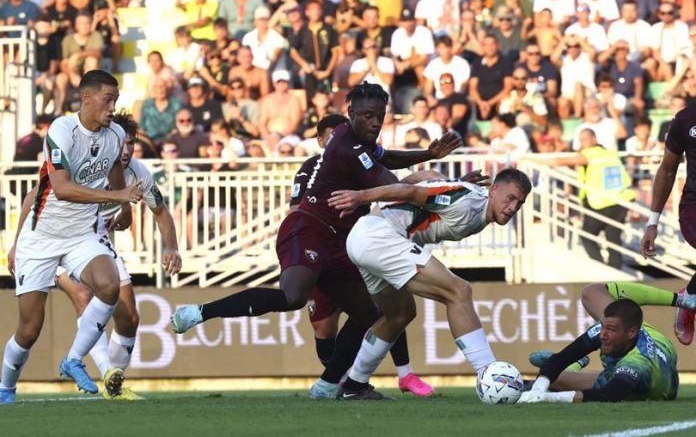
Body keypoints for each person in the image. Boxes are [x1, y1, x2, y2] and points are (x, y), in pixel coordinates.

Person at [170, 82, 461, 399]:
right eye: (367, 116)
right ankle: (199, 312)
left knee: (370, 314)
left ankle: (328, 387)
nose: (375, 123)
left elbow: (386, 157)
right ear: (350, 113)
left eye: (380, 116)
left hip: (340, 241)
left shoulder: (358, 142)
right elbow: (392, 186)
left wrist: (428, 154)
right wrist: (453, 192)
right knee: (293, 296)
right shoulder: (348, 148)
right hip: (310, 228)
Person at [11, 113, 181, 400]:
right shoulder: (86, 159)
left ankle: (114, 381)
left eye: (132, 145)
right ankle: (98, 368)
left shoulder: (138, 173)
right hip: (54, 239)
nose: (126, 151)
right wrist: (17, 245)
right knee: (83, 298)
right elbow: (35, 197)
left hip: (95, 241)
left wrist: (171, 247)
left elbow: (160, 210)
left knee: (129, 317)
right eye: (123, 144)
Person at [0, 70, 143, 405]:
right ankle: (6, 387)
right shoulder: (62, 130)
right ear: (86, 98)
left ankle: (74, 359)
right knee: (30, 328)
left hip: (81, 234)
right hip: (42, 237)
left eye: (116, 101)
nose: (112, 108)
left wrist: (124, 205)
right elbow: (61, 189)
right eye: (108, 100)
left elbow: (115, 173)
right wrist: (120, 198)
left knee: (108, 285)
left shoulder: (114, 134)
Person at [327, 168, 530, 399]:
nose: (513, 207)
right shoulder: (466, 199)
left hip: (364, 238)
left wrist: (450, 184)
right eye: (510, 198)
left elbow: (426, 174)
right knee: (459, 291)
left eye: (520, 203)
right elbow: (414, 190)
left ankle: (354, 385)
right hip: (380, 238)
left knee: (400, 314)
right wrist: (361, 196)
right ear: (493, 190)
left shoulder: (463, 196)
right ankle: (491, 374)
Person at [289, 114, 434, 397]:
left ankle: (403, 374)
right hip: (324, 250)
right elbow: (295, 210)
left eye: (339, 133)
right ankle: (339, 379)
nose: (335, 139)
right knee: (324, 327)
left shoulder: (362, 162)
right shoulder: (310, 169)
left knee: (388, 305)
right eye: (329, 135)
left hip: (357, 246)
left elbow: (393, 180)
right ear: (321, 141)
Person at [519, 281, 685, 403]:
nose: (602, 335)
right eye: (603, 326)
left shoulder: (638, 364)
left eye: (610, 329)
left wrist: (547, 397)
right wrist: (539, 387)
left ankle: (572, 369)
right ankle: (682, 300)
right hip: (657, 342)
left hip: (661, 383)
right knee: (592, 291)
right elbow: (563, 357)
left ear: (632, 332)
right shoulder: (606, 330)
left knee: (557, 383)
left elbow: (610, 395)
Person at [640, 99, 696, 346]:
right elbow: (667, 170)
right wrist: (653, 221)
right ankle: (690, 299)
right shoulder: (686, 119)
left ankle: (690, 294)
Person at [546, 129, 635, 269]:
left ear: (593, 139)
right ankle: (615, 275)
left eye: (584, 139)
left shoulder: (589, 154)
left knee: (587, 237)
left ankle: (603, 272)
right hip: (619, 201)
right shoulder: (610, 152)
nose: (582, 143)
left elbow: (560, 161)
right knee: (613, 240)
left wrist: (532, 160)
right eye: (580, 140)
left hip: (600, 203)